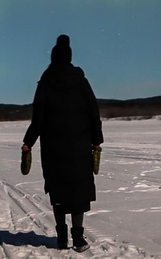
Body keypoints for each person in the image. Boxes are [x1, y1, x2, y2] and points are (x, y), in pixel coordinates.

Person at [22, 35, 103, 252]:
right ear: (70, 58)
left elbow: (38, 119)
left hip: (53, 148)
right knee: (78, 190)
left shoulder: (46, 83)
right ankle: (78, 238)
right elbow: (93, 113)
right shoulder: (81, 82)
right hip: (79, 146)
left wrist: (28, 142)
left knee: (58, 191)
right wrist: (97, 140)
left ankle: (61, 237)